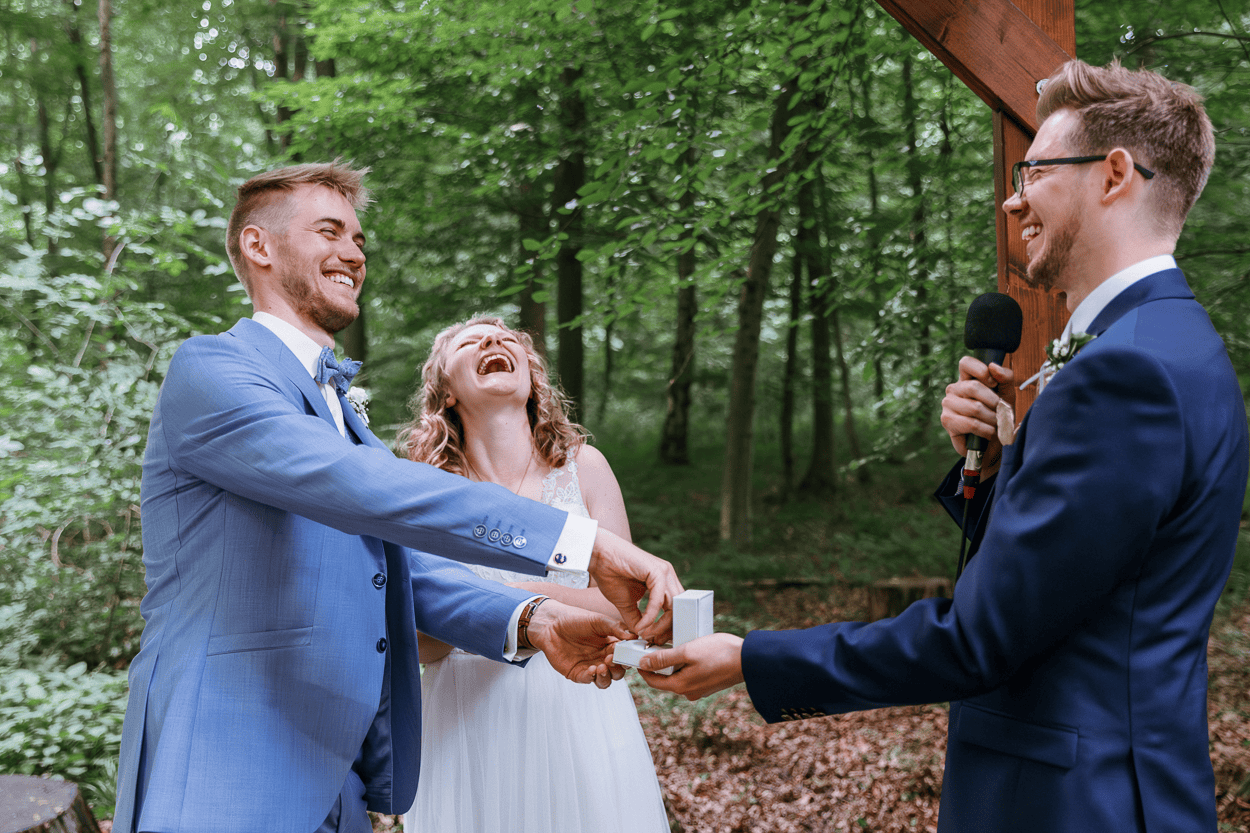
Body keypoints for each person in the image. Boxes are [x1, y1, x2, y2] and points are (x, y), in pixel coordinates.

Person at [639, 59, 1248, 832]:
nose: (1012, 196)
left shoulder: (1122, 368)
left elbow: (980, 639)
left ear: (1115, 174)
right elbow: (1093, 585)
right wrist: (996, 471)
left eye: (1034, 170)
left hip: (1073, 801)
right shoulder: (1173, 341)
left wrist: (751, 659)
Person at [113, 162, 683, 833]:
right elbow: (366, 487)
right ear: (258, 247)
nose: (354, 252)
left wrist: (536, 620)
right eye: (330, 230)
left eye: (359, 239)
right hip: (228, 775)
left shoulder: (343, 418)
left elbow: (396, 566)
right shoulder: (210, 372)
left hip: (341, 791)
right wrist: (580, 545)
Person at [395, 316, 668, 832]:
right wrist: (516, 611)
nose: (493, 339)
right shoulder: (421, 491)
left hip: (578, 707)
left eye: (505, 337)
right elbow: (421, 641)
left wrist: (503, 601)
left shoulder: (585, 468)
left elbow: (622, 607)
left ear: (532, 377)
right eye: (470, 340)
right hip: (465, 717)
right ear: (446, 390)